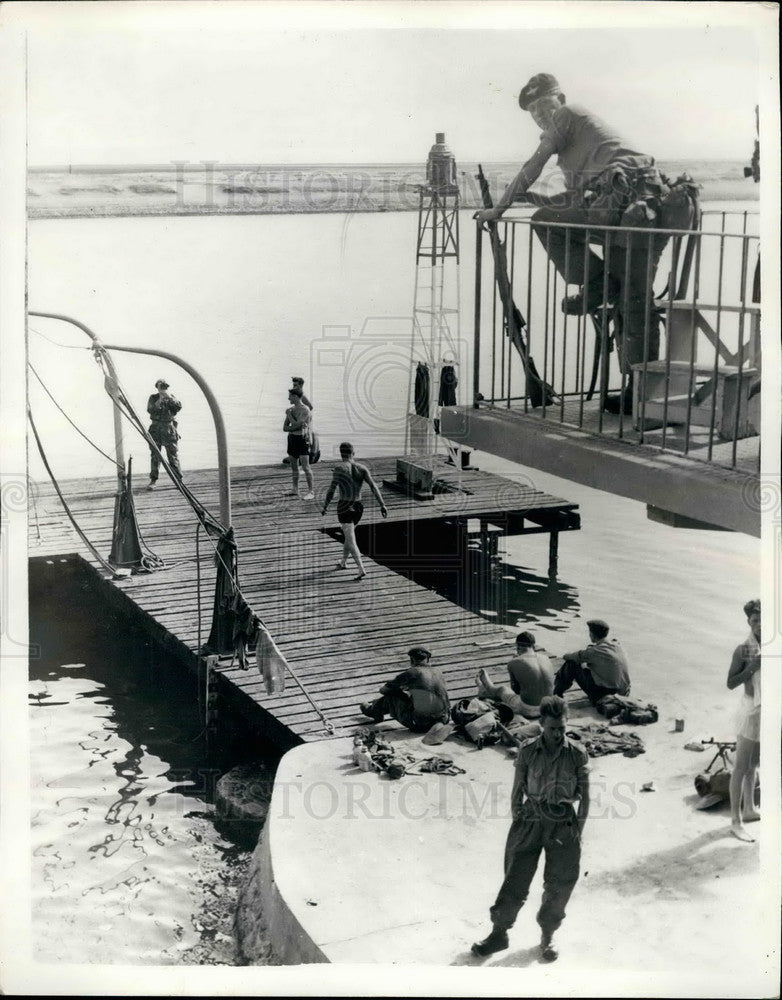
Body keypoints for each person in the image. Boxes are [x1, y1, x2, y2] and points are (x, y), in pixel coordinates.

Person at [476, 72, 670, 414]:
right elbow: (579, 199)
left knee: (634, 296)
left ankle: (599, 287)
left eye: (542, 104)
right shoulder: (574, 138)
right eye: (532, 110)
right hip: (619, 204)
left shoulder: (568, 115)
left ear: (560, 99)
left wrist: (500, 207)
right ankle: (636, 388)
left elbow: (534, 164)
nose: (539, 113)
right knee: (631, 294)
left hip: (634, 202)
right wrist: (530, 198)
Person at [472, 695, 589, 961]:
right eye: (552, 728)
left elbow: (586, 797)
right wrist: (518, 818)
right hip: (531, 817)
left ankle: (548, 936)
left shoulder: (577, 754)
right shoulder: (527, 751)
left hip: (562, 821)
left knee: (560, 882)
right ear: (542, 725)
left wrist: (577, 832)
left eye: (562, 728)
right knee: (515, 877)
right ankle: (498, 934)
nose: (558, 734)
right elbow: (517, 789)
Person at [321, 441, 388, 581]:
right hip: (358, 507)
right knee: (348, 535)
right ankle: (344, 562)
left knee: (351, 539)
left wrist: (325, 506)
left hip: (345, 506)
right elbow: (373, 486)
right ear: (353, 453)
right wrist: (382, 504)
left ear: (341, 454)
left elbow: (331, 490)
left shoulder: (339, 469)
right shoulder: (362, 468)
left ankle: (361, 569)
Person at [726, 599, 761, 842]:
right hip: (749, 710)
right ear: (748, 621)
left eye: (763, 620)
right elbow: (730, 683)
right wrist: (752, 668)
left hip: (766, 709)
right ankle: (735, 821)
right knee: (740, 766)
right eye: (755, 620)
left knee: (754, 764)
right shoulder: (743, 649)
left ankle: (749, 809)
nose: (759, 625)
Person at [359, 647, 450, 733]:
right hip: (443, 721)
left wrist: (399, 689)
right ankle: (376, 710)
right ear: (427, 659)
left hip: (421, 725)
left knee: (393, 695)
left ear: (412, 660)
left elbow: (383, 690)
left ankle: (373, 711)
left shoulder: (412, 672)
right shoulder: (438, 671)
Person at [553, 619, 631, 705]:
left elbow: (569, 656)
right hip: (623, 693)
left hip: (604, 696)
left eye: (590, 632)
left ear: (593, 635)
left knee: (572, 663)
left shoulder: (595, 651)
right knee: (588, 666)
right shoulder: (618, 647)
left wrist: (570, 656)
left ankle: (557, 694)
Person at [147, 378, 182, 489]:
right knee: (155, 455)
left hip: (169, 429)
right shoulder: (153, 398)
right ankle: (153, 480)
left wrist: (169, 398)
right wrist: (160, 399)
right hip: (156, 428)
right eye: (161, 386)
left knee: (173, 455)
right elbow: (150, 410)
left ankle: (178, 480)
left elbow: (178, 407)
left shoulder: (171, 397)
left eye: (165, 387)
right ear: (157, 387)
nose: (163, 389)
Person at [283, 387, 314, 500]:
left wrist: (289, 416)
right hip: (292, 439)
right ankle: (295, 489)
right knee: (294, 467)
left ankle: (311, 491)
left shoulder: (305, 410)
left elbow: (296, 425)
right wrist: (292, 425)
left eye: (290, 396)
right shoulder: (291, 409)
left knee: (305, 467)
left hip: (302, 439)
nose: (288, 398)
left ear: (295, 397)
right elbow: (285, 428)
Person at [282, 377, 313, 464]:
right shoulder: (295, 395)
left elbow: (310, 407)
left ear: (301, 385)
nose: (294, 387)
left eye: (296, 385)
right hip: (298, 423)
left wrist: (304, 418)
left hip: (302, 423)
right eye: (293, 385)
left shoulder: (301, 396)